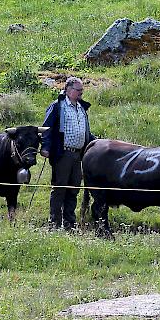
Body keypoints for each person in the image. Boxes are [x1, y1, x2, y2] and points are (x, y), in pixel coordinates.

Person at [41, 77, 96, 230]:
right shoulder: (58, 106)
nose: (81, 93)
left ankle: (70, 223)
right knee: (60, 188)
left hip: (78, 155)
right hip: (63, 153)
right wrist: (45, 147)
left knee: (74, 189)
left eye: (82, 90)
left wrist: (95, 142)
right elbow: (47, 128)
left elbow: (86, 131)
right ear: (69, 90)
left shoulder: (81, 108)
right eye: (79, 90)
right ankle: (55, 223)